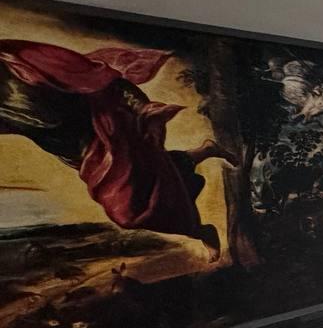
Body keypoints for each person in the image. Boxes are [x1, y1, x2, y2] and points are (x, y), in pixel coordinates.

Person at [0, 39, 234, 259]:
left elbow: (105, 81)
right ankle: (204, 151)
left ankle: (199, 230)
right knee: (148, 176)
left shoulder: (24, 64)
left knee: (127, 212)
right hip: (81, 157)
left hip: (108, 129)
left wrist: (143, 109)